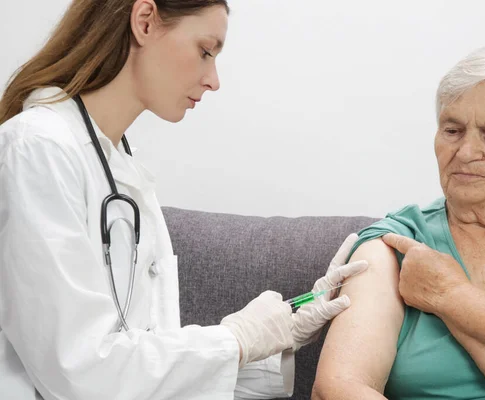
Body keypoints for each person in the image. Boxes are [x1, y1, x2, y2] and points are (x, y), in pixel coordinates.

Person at [0, 1, 368, 399]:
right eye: (205, 51)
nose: (213, 80)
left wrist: (278, 339)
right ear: (144, 22)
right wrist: (236, 340)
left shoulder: (122, 171)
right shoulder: (36, 149)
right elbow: (78, 371)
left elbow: (145, 376)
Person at [312, 46, 485, 399]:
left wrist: (451, 295)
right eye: (452, 130)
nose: (465, 152)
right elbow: (337, 389)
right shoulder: (395, 242)